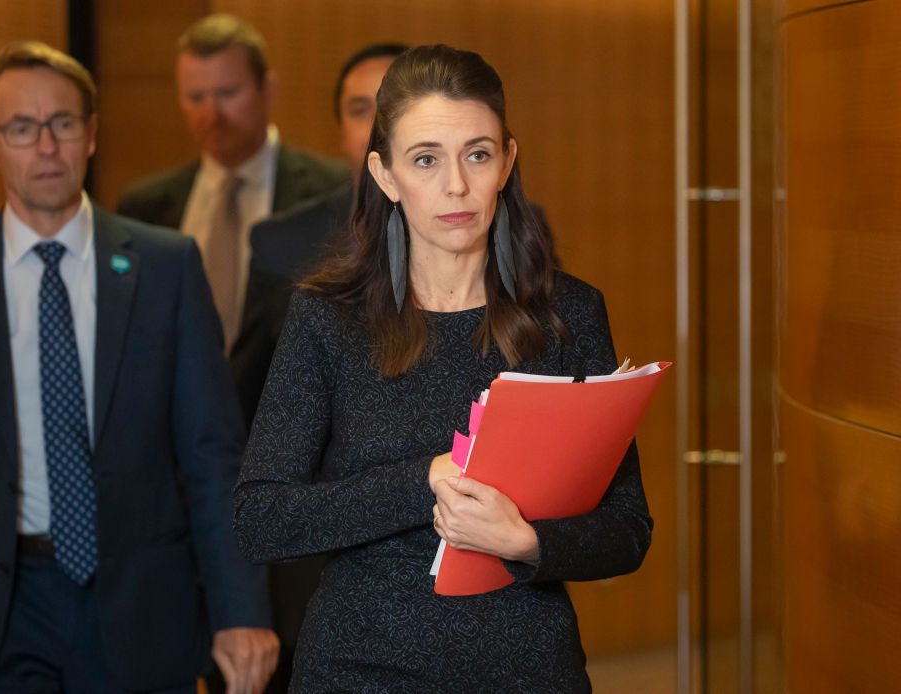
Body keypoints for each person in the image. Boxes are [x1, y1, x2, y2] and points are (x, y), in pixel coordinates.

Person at [233, 44, 653, 691]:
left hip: (529, 670)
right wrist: (427, 480)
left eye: (477, 154)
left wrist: (526, 542)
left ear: (507, 161)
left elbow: (626, 530)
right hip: (358, 669)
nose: (456, 185)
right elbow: (263, 518)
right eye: (426, 159)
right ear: (385, 174)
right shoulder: (327, 318)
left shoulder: (569, 312)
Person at [0, 41, 277, 694]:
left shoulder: (165, 266)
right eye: (21, 129)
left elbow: (213, 458)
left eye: (63, 124)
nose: (45, 147)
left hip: (139, 604)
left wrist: (240, 612)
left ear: (90, 136)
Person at [116, 14, 349, 358]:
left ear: (267, 90)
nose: (212, 114)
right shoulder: (143, 207)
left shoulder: (332, 191)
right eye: (196, 97)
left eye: (227, 93)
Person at [237, 42, 408, 427]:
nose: (378, 126)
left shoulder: (495, 228)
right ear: (341, 128)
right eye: (361, 110)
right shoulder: (279, 244)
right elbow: (248, 393)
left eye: (395, 106)